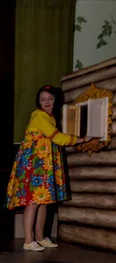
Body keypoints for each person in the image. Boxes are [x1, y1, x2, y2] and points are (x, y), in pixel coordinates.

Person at [6, 85, 88, 251]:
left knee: (44, 202)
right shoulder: (39, 116)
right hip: (34, 166)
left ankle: (40, 237)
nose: (47, 102)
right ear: (38, 102)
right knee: (34, 202)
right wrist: (81, 139)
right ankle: (28, 240)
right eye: (43, 100)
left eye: (50, 99)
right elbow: (57, 137)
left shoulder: (50, 118)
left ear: (55, 100)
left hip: (44, 165)